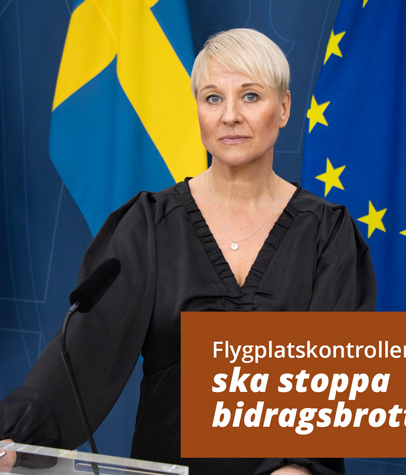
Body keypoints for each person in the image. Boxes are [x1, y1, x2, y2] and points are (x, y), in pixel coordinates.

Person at [0, 29, 376, 474]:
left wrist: (297, 467)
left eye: (250, 96)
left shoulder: (328, 233)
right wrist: (12, 437)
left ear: (284, 108)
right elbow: (83, 353)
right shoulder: (149, 225)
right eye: (213, 98)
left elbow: (330, 380)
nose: (230, 116)